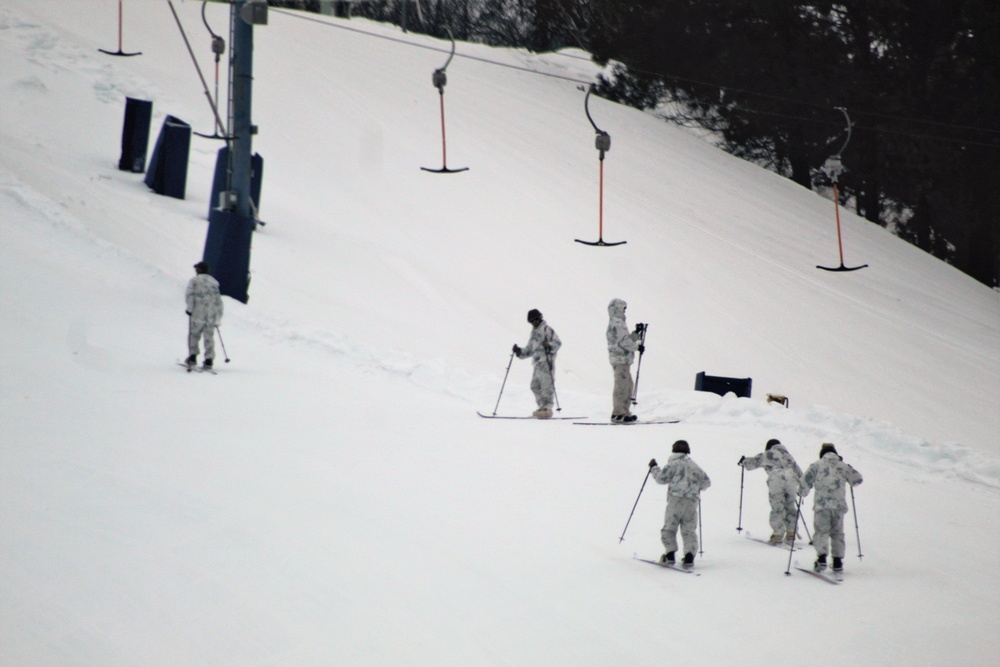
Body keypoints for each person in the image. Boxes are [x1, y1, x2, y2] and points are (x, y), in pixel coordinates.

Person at [799, 443, 863, 574]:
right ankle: (838, 561)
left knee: (821, 531)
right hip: (839, 507)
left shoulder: (816, 465)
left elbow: (804, 483)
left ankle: (822, 558)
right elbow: (858, 480)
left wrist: (801, 493)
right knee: (837, 532)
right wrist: (847, 469)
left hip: (822, 506)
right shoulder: (843, 466)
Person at [649, 440, 711, 568]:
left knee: (670, 527)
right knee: (689, 529)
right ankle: (689, 557)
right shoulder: (694, 465)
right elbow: (706, 482)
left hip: (676, 500)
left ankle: (670, 554)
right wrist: (695, 487)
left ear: (674, 450)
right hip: (692, 501)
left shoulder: (672, 464)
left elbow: (661, 479)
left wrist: (654, 468)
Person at [739, 438, 803, 544]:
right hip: (791, 479)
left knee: (778, 507)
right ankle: (791, 532)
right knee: (790, 506)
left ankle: (777, 535)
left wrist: (744, 461)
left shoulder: (768, 454)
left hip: (776, 479)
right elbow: (800, 473)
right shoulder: (788, 456)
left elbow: (752, 463)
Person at [513, 309, 562, 419]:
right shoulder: (534, 333)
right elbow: (530, 349)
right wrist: (519, 351)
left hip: (546, 361)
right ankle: (542, 407)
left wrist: (549, 345)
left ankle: (547, 407)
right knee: (534, 386)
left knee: (546, 386)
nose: (533, 322)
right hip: (537, 363)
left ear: (540, 318)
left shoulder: (547, 330)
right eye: (531, 321)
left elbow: (558, 343)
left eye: (535, 320)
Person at [606, 298, 644, 422]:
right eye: (623, 308)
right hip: (620, 359)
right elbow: (623, 342)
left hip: (623, 359)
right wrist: (637, 347)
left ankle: (624, 411)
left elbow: (625, 339)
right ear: (618, 308)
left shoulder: (618, 322)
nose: (625, 311)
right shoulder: (617, 322)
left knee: (627, 384)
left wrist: (636, 334)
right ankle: (618, 413)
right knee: (621, 385)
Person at [185, 261, 223, 369]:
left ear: (198, 270)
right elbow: (218, 301)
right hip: (210, 314)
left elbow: (190, 295)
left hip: (198, 313)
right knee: (209, 337)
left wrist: (189, 309)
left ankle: (192, 356)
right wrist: (218, 316)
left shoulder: (194, 281)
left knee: (194, 335)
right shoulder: (213, 283)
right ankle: (209, 359)